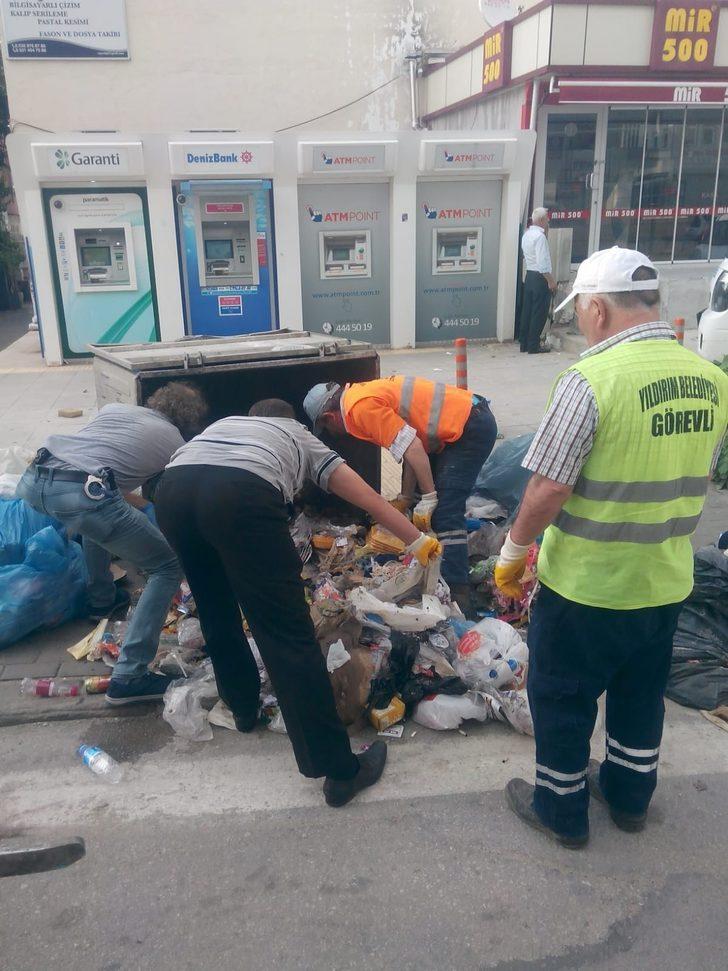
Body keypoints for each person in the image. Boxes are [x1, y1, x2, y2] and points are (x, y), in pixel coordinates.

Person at [494, 247, 728, 848]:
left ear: (596, 307)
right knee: (640, 694)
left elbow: (547, 488)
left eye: (580, 312)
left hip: (588, 586)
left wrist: (512, 556)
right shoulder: (711, 379)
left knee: (563, 697)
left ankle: (562, 810)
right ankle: (628, 799)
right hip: (664, 582)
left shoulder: (591, 380)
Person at [154, 398, 441, 807]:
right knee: (286, 635)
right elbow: (367, 498)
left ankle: (242, 708)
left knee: (215, 610)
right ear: (291, 422)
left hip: (175, 493)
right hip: (241, 495)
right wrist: (417, 540)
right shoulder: (299, 436)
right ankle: (340, 771)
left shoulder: (224, 424)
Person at [16, 383, 210, 705]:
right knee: (165, 567)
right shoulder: (175, 442)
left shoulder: (115, 410)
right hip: (82, 491)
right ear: (189, 419)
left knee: (101, 522)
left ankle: (101, 602)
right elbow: (164, 499)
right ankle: (130, 675)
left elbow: (111, 474)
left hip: (36, 479)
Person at [302, 377, 498, 610]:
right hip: (466, 420)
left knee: (445, 511)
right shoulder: (359, 398)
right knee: (425, 506)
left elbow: (414, 448)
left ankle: (457, 594)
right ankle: (433, 565)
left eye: (328, 429)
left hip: (470, 427)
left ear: (329, 417)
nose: (333, 433)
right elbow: (409, 448)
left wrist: (430, 497)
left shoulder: (360, 409)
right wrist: (407, 498)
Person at [520, 207, 556, 354]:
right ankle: (534, 345)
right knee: (538, 312)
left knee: (527, 310)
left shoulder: (527, 235)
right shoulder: (540, 237)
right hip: (540, 277)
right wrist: (551, 281)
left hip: (529, 276)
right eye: (547, 218)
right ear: (542, 220)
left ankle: (524, 344)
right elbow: (542, 264)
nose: (548, 220)